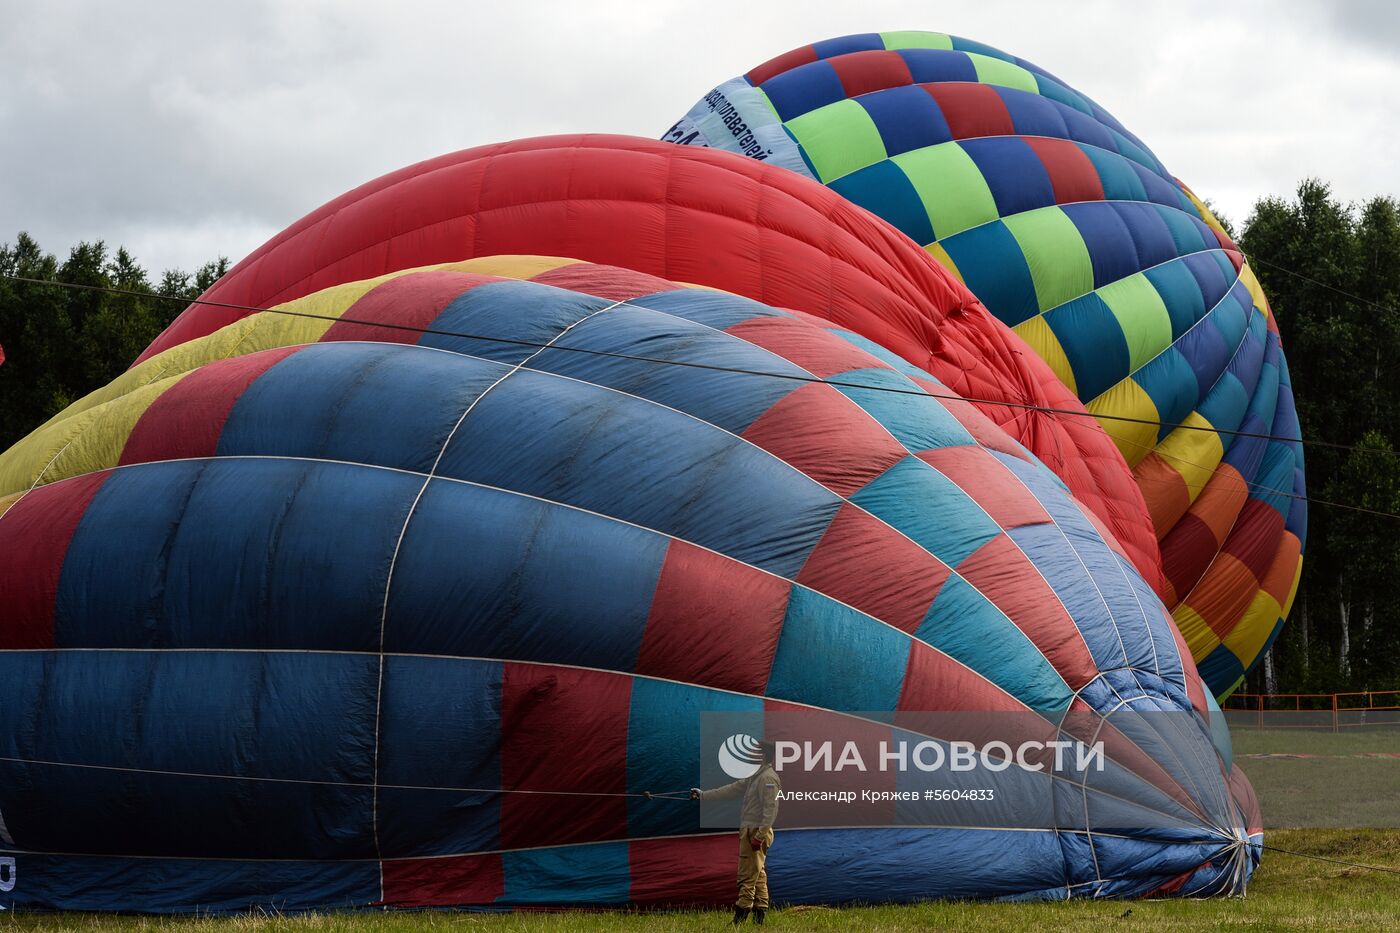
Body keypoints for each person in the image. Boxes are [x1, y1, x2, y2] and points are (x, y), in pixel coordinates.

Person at [691, 742, 781, 924]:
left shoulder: (768, 779)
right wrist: (703, 795)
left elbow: (770, 810)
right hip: (751, 831)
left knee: (747, 875)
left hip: (755, 832)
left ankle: (740, 918)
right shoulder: (754, 777)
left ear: (763, 756)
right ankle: (759, 917)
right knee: (758, 874)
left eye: (754, 752)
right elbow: (731, 790)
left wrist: (759, 836)